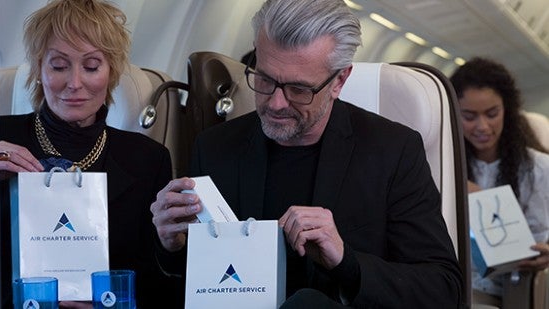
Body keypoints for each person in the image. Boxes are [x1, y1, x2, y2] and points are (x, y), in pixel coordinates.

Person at [151, 0, 463, 307]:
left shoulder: (392, 151)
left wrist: (346, 261)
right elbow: (197, 287)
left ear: (339, 81)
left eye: (299, 89)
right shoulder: (215, 148)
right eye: (264, 79)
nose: (275, 104)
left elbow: (443, 290)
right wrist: (173, 247)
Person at [0, 0, 183, 308]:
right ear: (39, 69)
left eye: (91, 66)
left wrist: (172, 245)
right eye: (58, 65)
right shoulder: (3, 140)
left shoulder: (149, 159)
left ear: (111, 72)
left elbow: (161, 285)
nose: (74, 83)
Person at [450, 57, 549, 306]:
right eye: (469, 116)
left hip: (512, 288)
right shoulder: (443, 166)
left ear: (508, 110)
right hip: (453, 284)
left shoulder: (538, 168)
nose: (482, 126)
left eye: (492, 114)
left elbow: (540, 237)